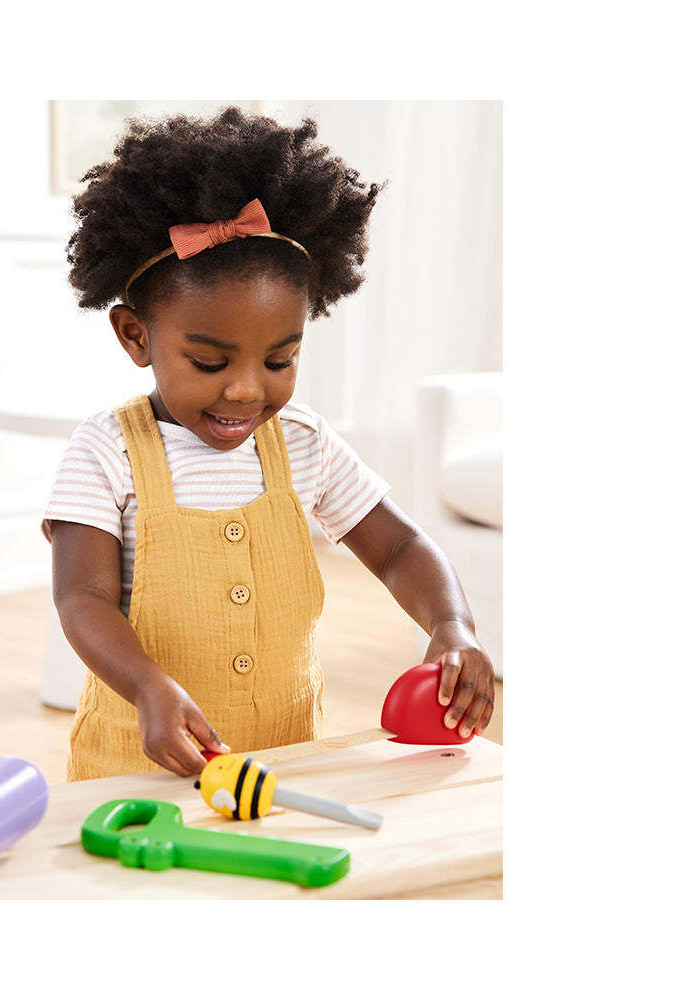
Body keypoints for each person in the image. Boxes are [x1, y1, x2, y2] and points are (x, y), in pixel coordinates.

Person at [43, 107, 495, 781]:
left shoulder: (305, 444)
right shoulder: (107, 451)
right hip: (140, 769)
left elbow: (400, 548)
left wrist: (451, 625)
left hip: (286, 763)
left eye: (280, 359)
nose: (247, 390)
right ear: (137, 336)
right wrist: (145, 685)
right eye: (210, 362)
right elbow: (82, 597)